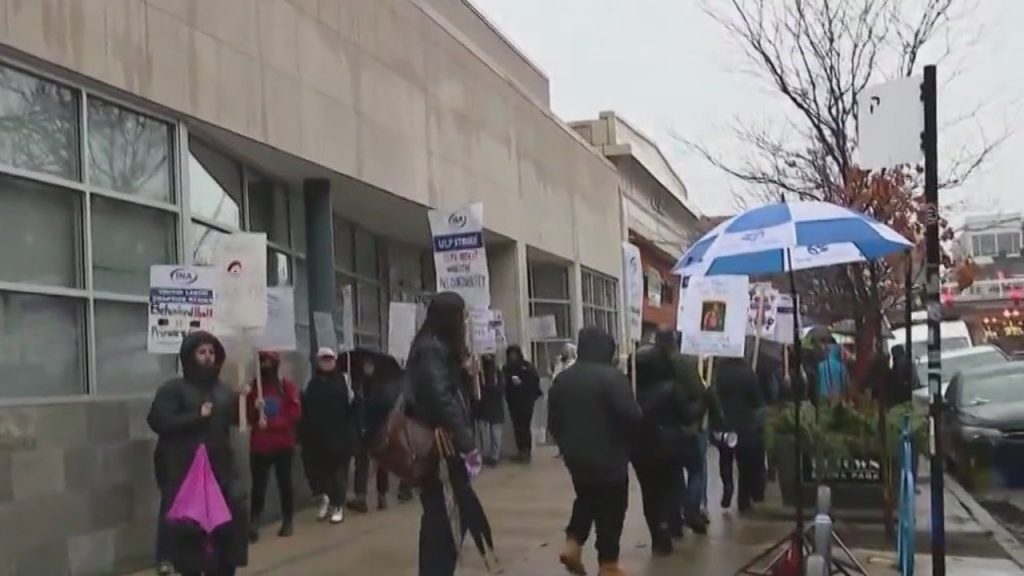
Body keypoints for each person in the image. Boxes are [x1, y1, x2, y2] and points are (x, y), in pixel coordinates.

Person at [148, 331, 247, 576]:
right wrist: (196, 417)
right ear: (189, 356)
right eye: (202, 352)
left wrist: (251, 407)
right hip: (183, 469)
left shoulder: (222, 390)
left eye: (211, 352)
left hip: (219, 469)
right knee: (188, 531)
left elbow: (233, 421)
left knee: (225, 526)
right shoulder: (173, 389)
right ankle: (172, 560)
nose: (208, 357)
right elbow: (159, 421)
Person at [549, 327, 642, 576]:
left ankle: (572, 544)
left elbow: (553, 422)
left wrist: (567, 445)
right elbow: (632, 416)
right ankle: (608, 564)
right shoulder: (613, 378)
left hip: (576, 458)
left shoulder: (563, 379)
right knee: (612, 509)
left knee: (586, 499)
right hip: (610, 457)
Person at [406, 292, 483, 576]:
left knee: (446, 514)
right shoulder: (431, 350)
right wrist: (466, 444)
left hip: (444, 441)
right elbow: (442, 399)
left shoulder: (436, 348)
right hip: (441, 444)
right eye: (461, 316)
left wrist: (465, 371)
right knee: (446, 515)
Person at [630, 340, 693, 556]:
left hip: (641, 449)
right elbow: (687, 415)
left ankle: (658, 534)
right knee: (671, 488)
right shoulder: (671, 388)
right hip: (670, 446)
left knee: (650, 493)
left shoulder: (631, 391)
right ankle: (671, 525)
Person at [246, 351, 302, 541]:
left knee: (284, 484)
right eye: (262, 362)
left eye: (269, 362)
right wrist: (254, 408)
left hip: (282, 444)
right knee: (258, 486)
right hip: (259, 446)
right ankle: (254, 521)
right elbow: (245, 416)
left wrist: (272, 423)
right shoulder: (253, 389)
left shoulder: (286, 387)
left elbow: (294, 413)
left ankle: (288, 520)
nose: (266, 366)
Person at [300, 347, 356, 525]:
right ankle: (326, 499)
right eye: (324, 359)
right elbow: (306, 410)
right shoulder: (313, 384)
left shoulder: (343, 382)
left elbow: (352, 410)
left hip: (340, 438)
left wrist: (353, 401)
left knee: (338, 474)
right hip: (318, 439)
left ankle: (338, 505)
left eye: (330, 359)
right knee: (320, 475)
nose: (327, 362)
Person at [711, 357, 765, 513]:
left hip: (723, 423)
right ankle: (743, 500)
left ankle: (727, 485)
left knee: (725, 458)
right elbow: (757, 400)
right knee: (744, 464)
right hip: (744, 424)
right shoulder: (747, 372)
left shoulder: (718, 372)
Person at [350, 354, 391, 513]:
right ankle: (362, 497)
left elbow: (386, 404)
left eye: (370, 364)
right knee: (362, 462)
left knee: (380, 462)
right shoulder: (358, 384)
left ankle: (381, 496)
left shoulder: (379, 385)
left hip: (377, 427)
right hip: (363, 427)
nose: (367, 367)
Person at [503, 344, 542, 463]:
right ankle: (521, 451)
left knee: (524, 426)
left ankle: (526, 451)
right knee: (517, 427)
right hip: (514, 402)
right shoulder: (507, 368)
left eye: (514, 354)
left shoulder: (527, 367)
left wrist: (531, 395)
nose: (513, 357)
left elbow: (535, 382)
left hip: (526, 402)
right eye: (511, 354)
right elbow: (505, 385)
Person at [473, 354, 506, 467]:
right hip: (486, 409)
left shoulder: (497, 374)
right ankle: (490, 456)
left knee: (493, 435)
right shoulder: (479, 375)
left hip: (490, 408)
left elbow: (501, 389)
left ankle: (493, 456)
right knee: (488, 436)